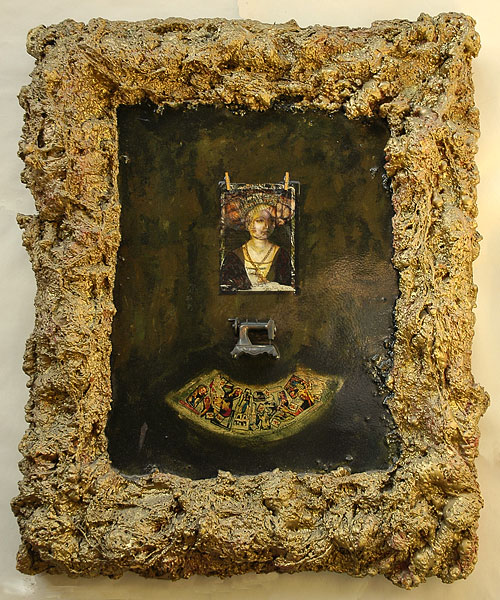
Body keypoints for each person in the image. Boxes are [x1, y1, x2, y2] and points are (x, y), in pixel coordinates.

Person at [220, 204, 292, 291]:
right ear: (249, 223)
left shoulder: (282, 255)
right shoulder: (233, 257)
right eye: (260, 220)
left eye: (271, 221)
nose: (266, 226)